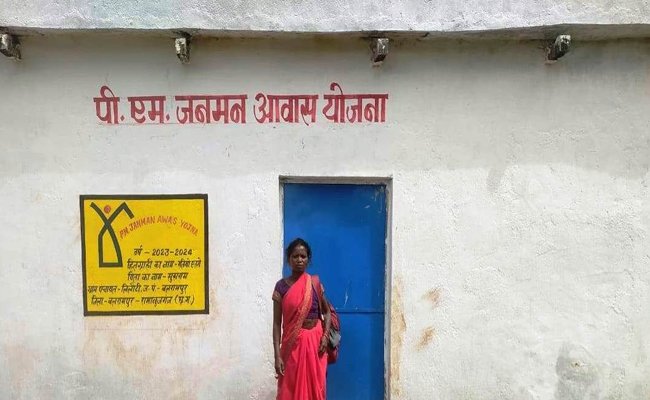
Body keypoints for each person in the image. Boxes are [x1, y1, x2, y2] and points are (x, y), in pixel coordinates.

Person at [272, 238, 331, 400]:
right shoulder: (281, 287)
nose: (299, 260)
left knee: (315, 389)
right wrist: (277, 355)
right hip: (292, 346)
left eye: (303, 256)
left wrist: (325, 336)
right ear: (289, 259)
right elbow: (276, 324)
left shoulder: (314, 283)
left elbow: (327, 313)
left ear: (308, 259)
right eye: (295, 256)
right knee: (290, 388)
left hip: (316, 345)